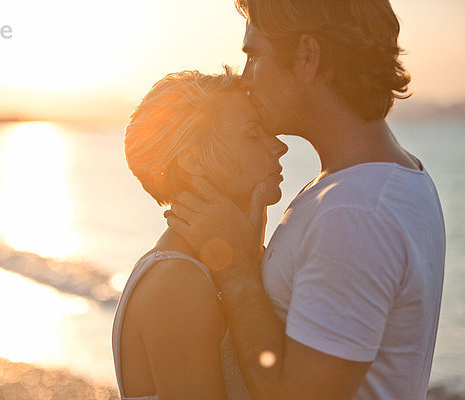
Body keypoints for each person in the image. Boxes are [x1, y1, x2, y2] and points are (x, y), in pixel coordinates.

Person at [165, 1, 446, 399]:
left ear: (306, 57)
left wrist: (236, 267)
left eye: (254, 56)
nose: (245, 79)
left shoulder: (355, 210)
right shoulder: (380, 180)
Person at [112, 67, 288, 399]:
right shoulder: (177, 282)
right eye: (253, 133)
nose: (280, 146)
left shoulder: (230, 265)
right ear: (192, 160)